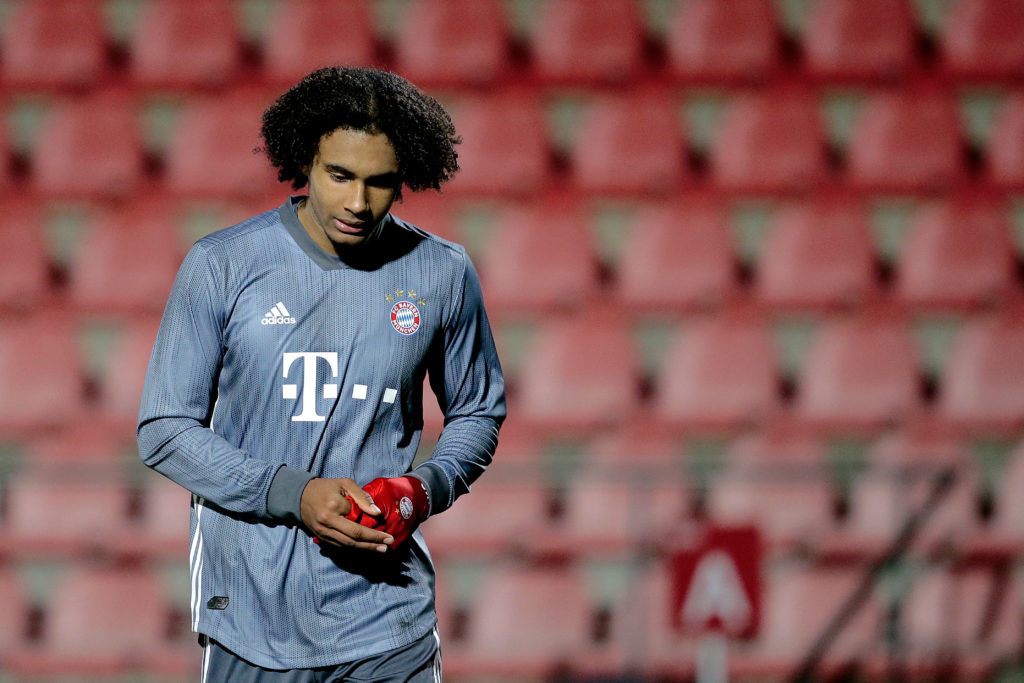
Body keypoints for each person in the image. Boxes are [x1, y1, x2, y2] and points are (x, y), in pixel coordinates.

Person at [137, 66, 506, 681]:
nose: (358, 204)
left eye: (380, 183)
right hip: (252, 616)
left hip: (389, 618)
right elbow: (165, 429)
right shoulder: (221, 266)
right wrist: (295, 494)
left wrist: (423, 489)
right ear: (305, 160)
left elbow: (477, 411)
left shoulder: (441, 272)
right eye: (340, 176)